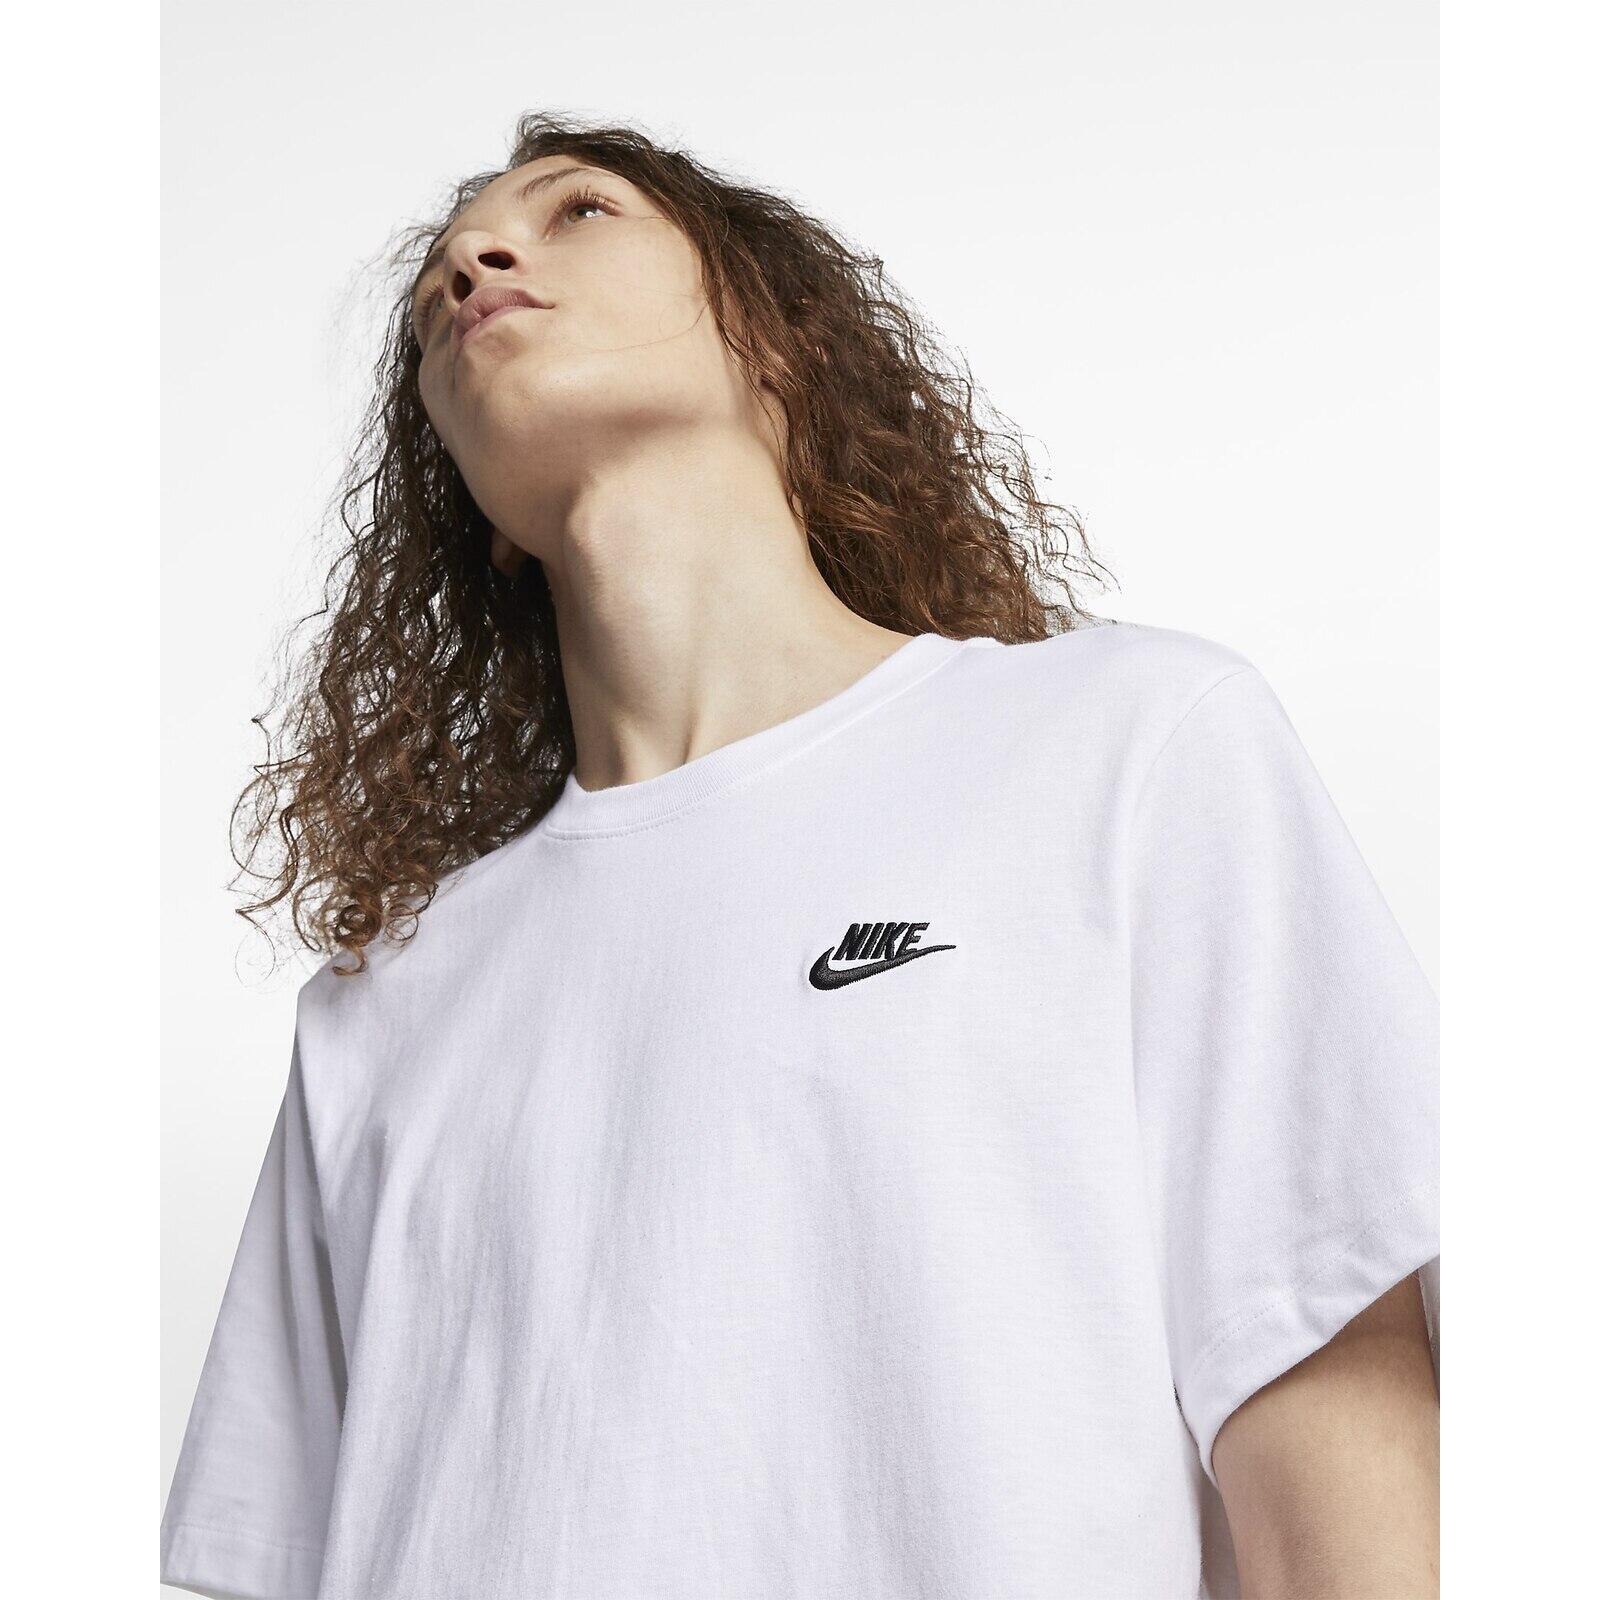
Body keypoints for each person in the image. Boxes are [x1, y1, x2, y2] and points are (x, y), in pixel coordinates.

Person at [162, 114, 1440, 1599]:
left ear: (774, 344)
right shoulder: (382, 999)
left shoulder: (1124, 746)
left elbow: (1325, 1410)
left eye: (579, 211)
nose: (475, 259)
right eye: (442, 271)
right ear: (479, 515)